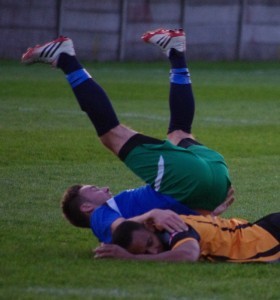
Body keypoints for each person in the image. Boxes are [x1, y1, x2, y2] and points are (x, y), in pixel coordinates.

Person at [21, 28, 233, 243]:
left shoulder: (128, 209)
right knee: (112, 136)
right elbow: (121, 228)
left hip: (216, 181)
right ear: (86, 206)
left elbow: (171, 223)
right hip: (194, 179)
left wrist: (210, 210)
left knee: (179, 134)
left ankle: (176, 52)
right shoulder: (100, 217)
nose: (104, 187)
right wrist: (154, 215)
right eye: (94, 189)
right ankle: (65, 59)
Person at [94, 211, 280, 263]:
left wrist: (132, 258)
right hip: (263, 231)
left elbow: (187, 255)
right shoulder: (161, 228)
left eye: (150, 243)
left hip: (269, 236)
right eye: (146, 252)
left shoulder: (173, 230)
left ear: (151, 227)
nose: (154, 250)